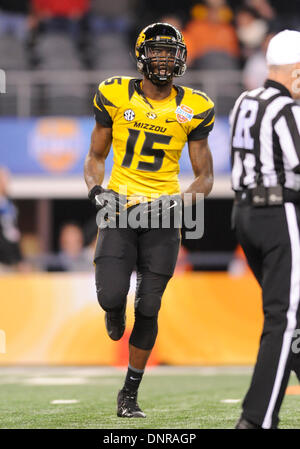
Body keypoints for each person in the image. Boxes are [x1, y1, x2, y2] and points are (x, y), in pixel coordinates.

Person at [84, 22, 215, 418]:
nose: (164, 59)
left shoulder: (195, 106)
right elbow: (95, 157)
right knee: (111, 296)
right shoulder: (114, 93)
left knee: (150, 307)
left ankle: (129, 393)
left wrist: (178, 202)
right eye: (157, 51)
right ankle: (111, 308)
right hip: (121, 206)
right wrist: (96, 190)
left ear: (180, 58)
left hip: (162, 212)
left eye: (170, 52)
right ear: (141, 56)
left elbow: (205, 177)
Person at [230, 29, 300, 429]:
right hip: (278, 214)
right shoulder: (284, 109)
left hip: (243, 214)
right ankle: (257, 419)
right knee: (283, 318)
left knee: (293, 314)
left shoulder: (244, 101)